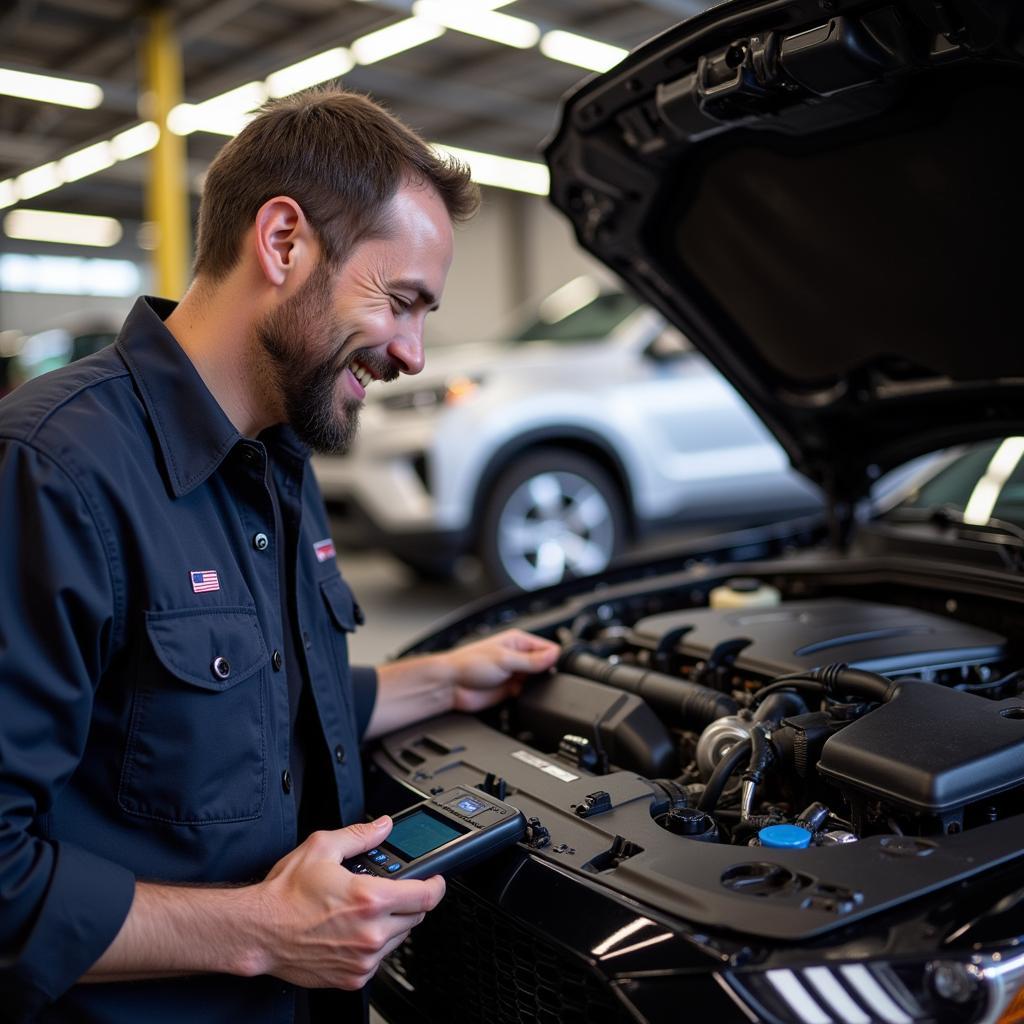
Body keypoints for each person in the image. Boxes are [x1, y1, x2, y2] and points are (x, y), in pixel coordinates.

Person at [0, 87, 560, 1023]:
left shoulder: (281, 453)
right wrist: (262, 929)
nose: (416, 354)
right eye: (402, 301)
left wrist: (446, 679)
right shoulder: (51, 474)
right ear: (284, 242)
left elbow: (249, 703)